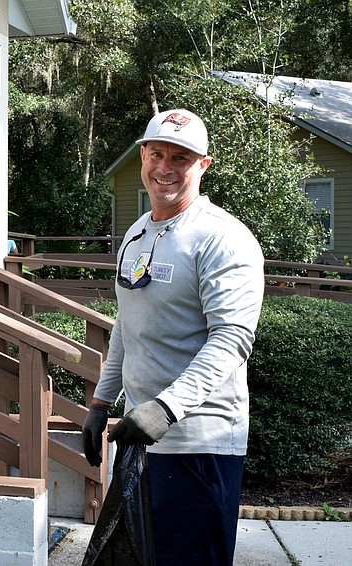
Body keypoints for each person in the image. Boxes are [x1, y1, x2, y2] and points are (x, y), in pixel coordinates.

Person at [81, 109, 265, 565]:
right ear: (143, 155)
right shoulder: (137, 232)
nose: (165, 167)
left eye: (180, 158)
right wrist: (101, 403)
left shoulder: (222, 238)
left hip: (200, 444)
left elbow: (232, 338)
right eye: (157, 154)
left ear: (203, 165)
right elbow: (127, 322)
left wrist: (166, 408)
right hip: (141, 439)